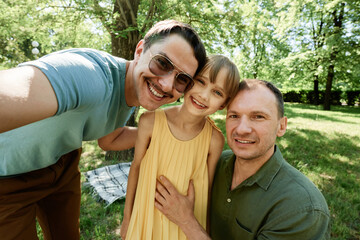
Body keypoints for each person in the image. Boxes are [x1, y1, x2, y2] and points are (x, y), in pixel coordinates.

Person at [0, 20, 206, 240]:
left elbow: (110, 139)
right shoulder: (90, 75)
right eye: (162, 63)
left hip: (63, 162)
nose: (167, 85)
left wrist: (164, 131)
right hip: (9, 178)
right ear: (139, 50)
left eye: (182, 79)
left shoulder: (133, 91)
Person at [155, 79, 330, 240]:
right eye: (234, 116)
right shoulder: (213, 163)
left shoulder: (302, 208)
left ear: (281, 126)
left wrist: (186, 221)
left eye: (258, 116)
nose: (242, 129)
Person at [105, 55, 239, 240]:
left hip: (184, 228)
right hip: (147, 219)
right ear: (187, 81)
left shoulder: (214, 140)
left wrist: (203, 230)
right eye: (200, 82)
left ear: (223, 104)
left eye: (217, 92)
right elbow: (136, 168)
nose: (204, 95)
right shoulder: (150, 121)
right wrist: (127, 219)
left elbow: (207, 192)